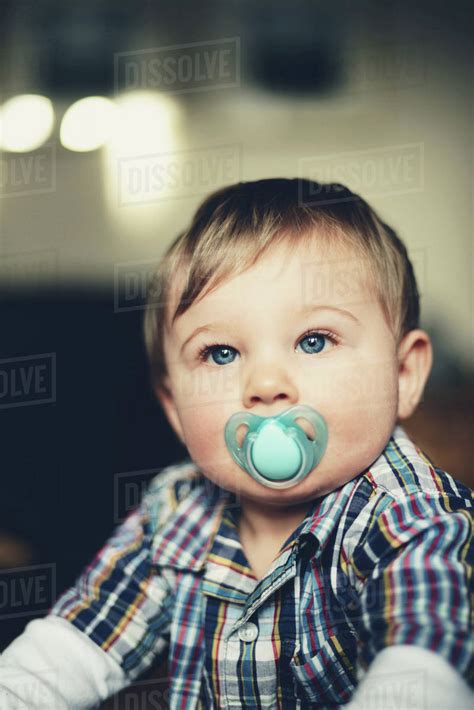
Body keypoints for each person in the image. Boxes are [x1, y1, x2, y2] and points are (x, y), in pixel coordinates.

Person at [0, 178, 472, 709]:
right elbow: (73, 644)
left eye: (314, 341)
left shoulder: (412, 516)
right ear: (174, 406)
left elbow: (423, 662)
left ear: (404, 374)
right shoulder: (175, 508)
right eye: (221, 353)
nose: (266, 384)